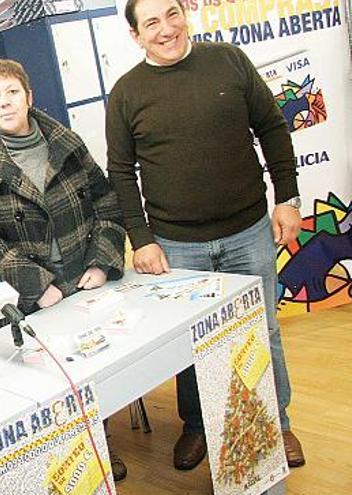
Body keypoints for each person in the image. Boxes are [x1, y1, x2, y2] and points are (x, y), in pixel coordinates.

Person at [106, 0, 306, 470]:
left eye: (172, 14)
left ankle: (278, 423)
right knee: (191, 343)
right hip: (176, 246)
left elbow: (274, 128)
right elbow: (120, 172)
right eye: (151, 22)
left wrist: (288, 198)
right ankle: (199, 427)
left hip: (249, 230)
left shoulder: (229, 60)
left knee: (265, 330)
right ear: (136, 36)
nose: (166, 28)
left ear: (185, 15)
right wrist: (143, 238)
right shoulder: (126, 93)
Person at [0, 59, 127, 480]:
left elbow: (107, 205)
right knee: (51, 384)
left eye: (11, 92)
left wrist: (102, 262)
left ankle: (100, 443)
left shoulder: (66, 142)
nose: (4, 102)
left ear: (29, 97)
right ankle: (72, 460)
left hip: (86, 280)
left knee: (97, 368)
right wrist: (39, 286)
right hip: (36, 296)